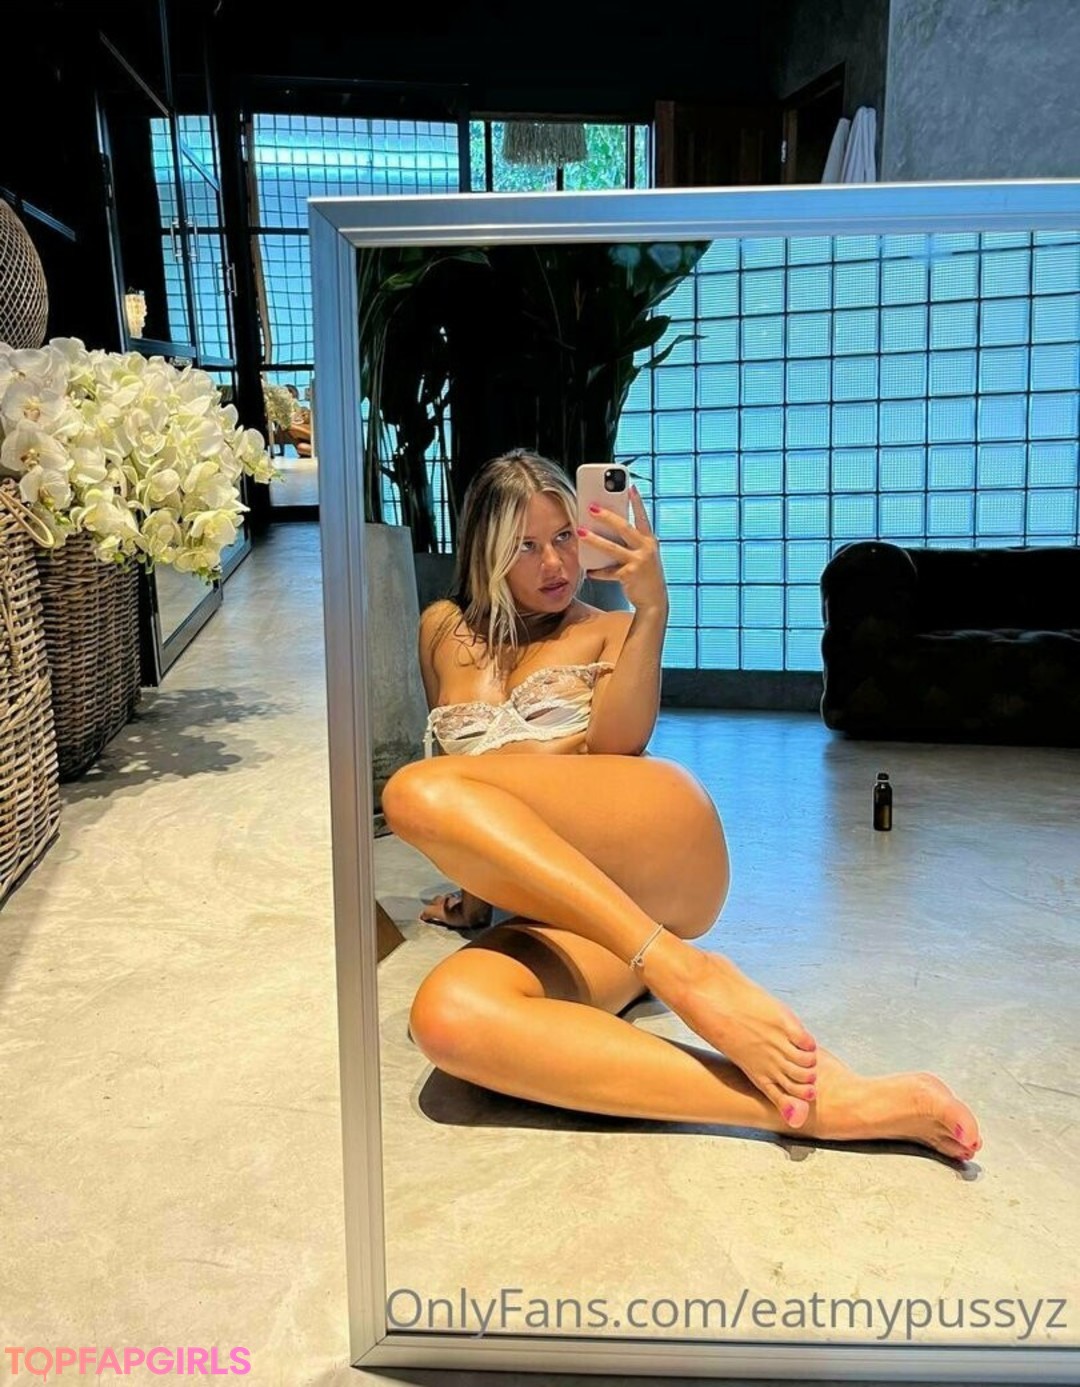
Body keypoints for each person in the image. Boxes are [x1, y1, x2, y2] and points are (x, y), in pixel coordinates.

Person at [381, 449, 982, 1160]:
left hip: (652, 854)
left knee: (415, 790)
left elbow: (617, 746)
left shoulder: (606, 630)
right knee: (448, 1018)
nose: (555, 563)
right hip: (585, 914)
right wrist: (476, 897)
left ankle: (682, 970)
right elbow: (479, 803)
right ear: (485, 550)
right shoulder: (440, 630)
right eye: (526, 546)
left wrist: (652, 607)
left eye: (565, 536)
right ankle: (822, 1108)